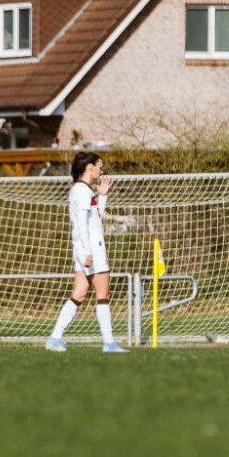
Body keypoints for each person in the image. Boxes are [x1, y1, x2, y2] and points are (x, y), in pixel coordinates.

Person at [45, 151, 129, 353]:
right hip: (92, 248)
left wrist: (101, 196)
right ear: (90, 167)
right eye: (99, 166)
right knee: (103, 294)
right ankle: (109, 343)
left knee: (80, 293)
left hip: (85, 248)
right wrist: (86, 252)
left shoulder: (82, 190)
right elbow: (81, 224)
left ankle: (54, 338)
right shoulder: (81, 191)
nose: (101, 170)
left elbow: (95, 217)